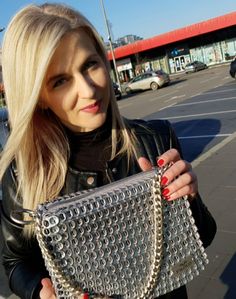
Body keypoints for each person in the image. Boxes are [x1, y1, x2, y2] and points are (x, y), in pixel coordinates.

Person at [0, 3, 216, 299]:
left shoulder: (156, 138)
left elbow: (202, 239)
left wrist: (188, 199)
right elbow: (15, 261)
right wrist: (40, 291)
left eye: (89, 64)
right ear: (40, 97)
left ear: (104, 60)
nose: (88, 89)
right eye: (60, 81)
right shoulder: (25, 174)